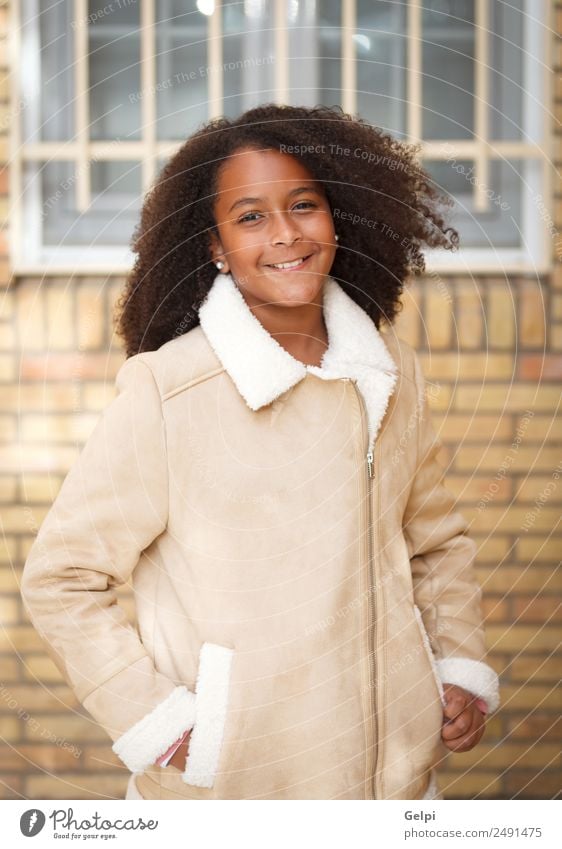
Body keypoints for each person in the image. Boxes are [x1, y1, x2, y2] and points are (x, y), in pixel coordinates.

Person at [21, 103, 499, 801]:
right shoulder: (169, 390)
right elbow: (61, 577)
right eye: (250, 216)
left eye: (304, 205)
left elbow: (433, 543)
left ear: (337, 215)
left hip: (394, 787)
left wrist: (457, 664)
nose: (285, 234)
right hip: (234, 796)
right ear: (214, 245)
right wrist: (162, 722)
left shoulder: (389, 370)